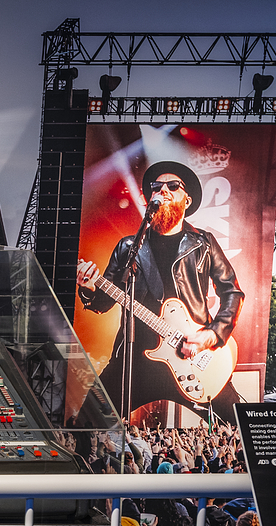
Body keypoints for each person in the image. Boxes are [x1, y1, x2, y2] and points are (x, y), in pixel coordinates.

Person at [76, 161, 245, 421]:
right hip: (135, 362)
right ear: (149, 199)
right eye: (156, 187)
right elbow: (103, 303)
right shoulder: (128, 247)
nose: (163, 190)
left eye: (173, 186)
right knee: (88, 420)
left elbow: (232, 293)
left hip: (191, 354)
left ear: (186, 200)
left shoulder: (204, 243)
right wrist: (88, 288)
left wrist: (210, 336)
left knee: (239, 425)